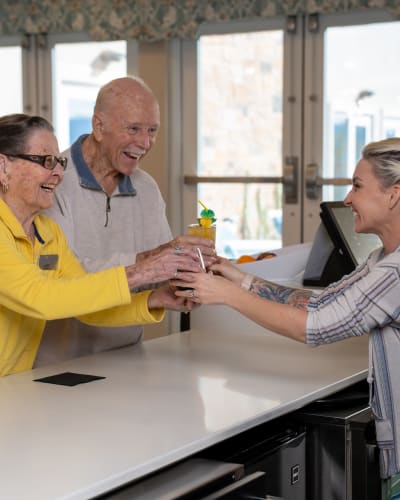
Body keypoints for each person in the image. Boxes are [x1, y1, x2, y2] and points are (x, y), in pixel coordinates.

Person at [174, 137, 400, 480]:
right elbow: (321, 302)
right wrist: (242, 279)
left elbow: (316, 326)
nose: (347, 199)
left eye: (357, 186)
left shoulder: (394, 272)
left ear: (394, 194)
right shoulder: (381, 259)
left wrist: (226, 296)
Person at [0, 113, 203, 376]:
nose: (59, 173)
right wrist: (141, 271)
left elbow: (85, 305)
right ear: (3, 167)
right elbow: (42, 296)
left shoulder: (47, 233)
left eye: (60, 162)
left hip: (14, 388)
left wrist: (154, 299)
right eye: (46, 161)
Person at [35, 76, 215, 365]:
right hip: (59, 364)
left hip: (129, 357)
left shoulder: (147, 188)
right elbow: (66, 281)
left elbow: (157, 275)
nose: (144, 143)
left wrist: (191, 274)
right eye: (133, 129)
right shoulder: (52, 184)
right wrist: (151, 260)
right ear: (98, 126)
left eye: (152, 131)